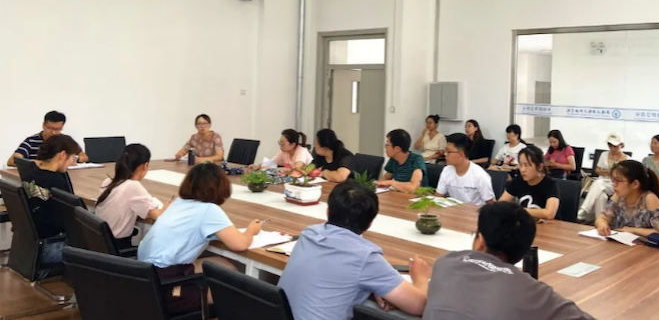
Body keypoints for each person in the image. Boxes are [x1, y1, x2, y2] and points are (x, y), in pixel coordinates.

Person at [279, 180, 431, 320]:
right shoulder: (365, 257)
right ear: (370, 223)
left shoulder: (309, 234)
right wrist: (421, 278)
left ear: (328, 211)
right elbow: (420, 306)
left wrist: (376, 287)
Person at [422, 202, 595, 320]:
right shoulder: (533, 292)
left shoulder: (446, 262)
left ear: (480, 241)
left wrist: (420, 278)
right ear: (523, 252)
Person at [138, 163, 262, 314]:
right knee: (234, 290)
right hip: (166, 289)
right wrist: (251, 230)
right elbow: (240, 244)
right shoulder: (209, 210)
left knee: (224, 265)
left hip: (145, 279)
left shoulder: (177, 203)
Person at [20, 134, 82, 264]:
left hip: (31, 248)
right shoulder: (56, 182)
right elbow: (69, 219)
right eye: (73, 158)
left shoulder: (29, 175)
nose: (73, 163)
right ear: (63, 155)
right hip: (52, 248)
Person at [96, 144, 169, 250]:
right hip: (118, 247)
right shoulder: (133, 186)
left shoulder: (107, 182)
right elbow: (158, 216)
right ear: (145, 166)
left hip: (99, 244)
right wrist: (166, 208)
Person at [596, 160, 659, 238]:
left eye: (618, 180)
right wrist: (602, 224)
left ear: (635, 184)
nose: (614, 184)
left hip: (645, 246)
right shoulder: (618, 195)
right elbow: (602, 217)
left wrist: (633, 230)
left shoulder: (649, 198)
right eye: (613, 180)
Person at [578, 133, 630, 222]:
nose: (612, 148)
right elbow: (597, 169)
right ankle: (601, 221)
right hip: (603, 180)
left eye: (615, 146)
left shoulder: (627, 159)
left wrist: (615, 174)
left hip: (616, 185)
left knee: (598, 183)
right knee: (601, 196)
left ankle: (585, 209)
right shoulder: (604, 155)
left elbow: (626, 177)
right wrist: (606, 172)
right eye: (610, 145)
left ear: (621, 145)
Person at [7, 110, 88, 166]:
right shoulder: (31, 141)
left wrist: (73, 159)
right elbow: (12, 161)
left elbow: (84, 157)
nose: (53, 132)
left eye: (58, 129)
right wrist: (44, 163)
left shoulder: (65, 141)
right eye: (50, 128)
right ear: (43, 125)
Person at [499, 146, 559, 220]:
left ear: (540, 167)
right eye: (520, 165)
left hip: (549, 225)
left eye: (526, 165)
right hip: (525, 223)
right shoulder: (518, 180)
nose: (522, 170)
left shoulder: (550, 184)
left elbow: (549, 214)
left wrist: (518, 210)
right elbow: (500, 205)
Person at [435, 133, 495, 206]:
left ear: (461, 155)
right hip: (453, 210)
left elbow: (491, 205)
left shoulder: (480, 175)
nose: (445, 154)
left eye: (448, 151)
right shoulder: (447, 170)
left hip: (474, 211)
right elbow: (437, 197)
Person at [377, 129, 428, 193]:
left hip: (419, 196)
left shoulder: (417, 159)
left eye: (387, 145)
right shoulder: (393, 159)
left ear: (397, 149)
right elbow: (386, 177)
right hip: (401, 194)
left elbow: (413, 187)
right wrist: (377, 185)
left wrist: (391, 183)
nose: (385, 147)